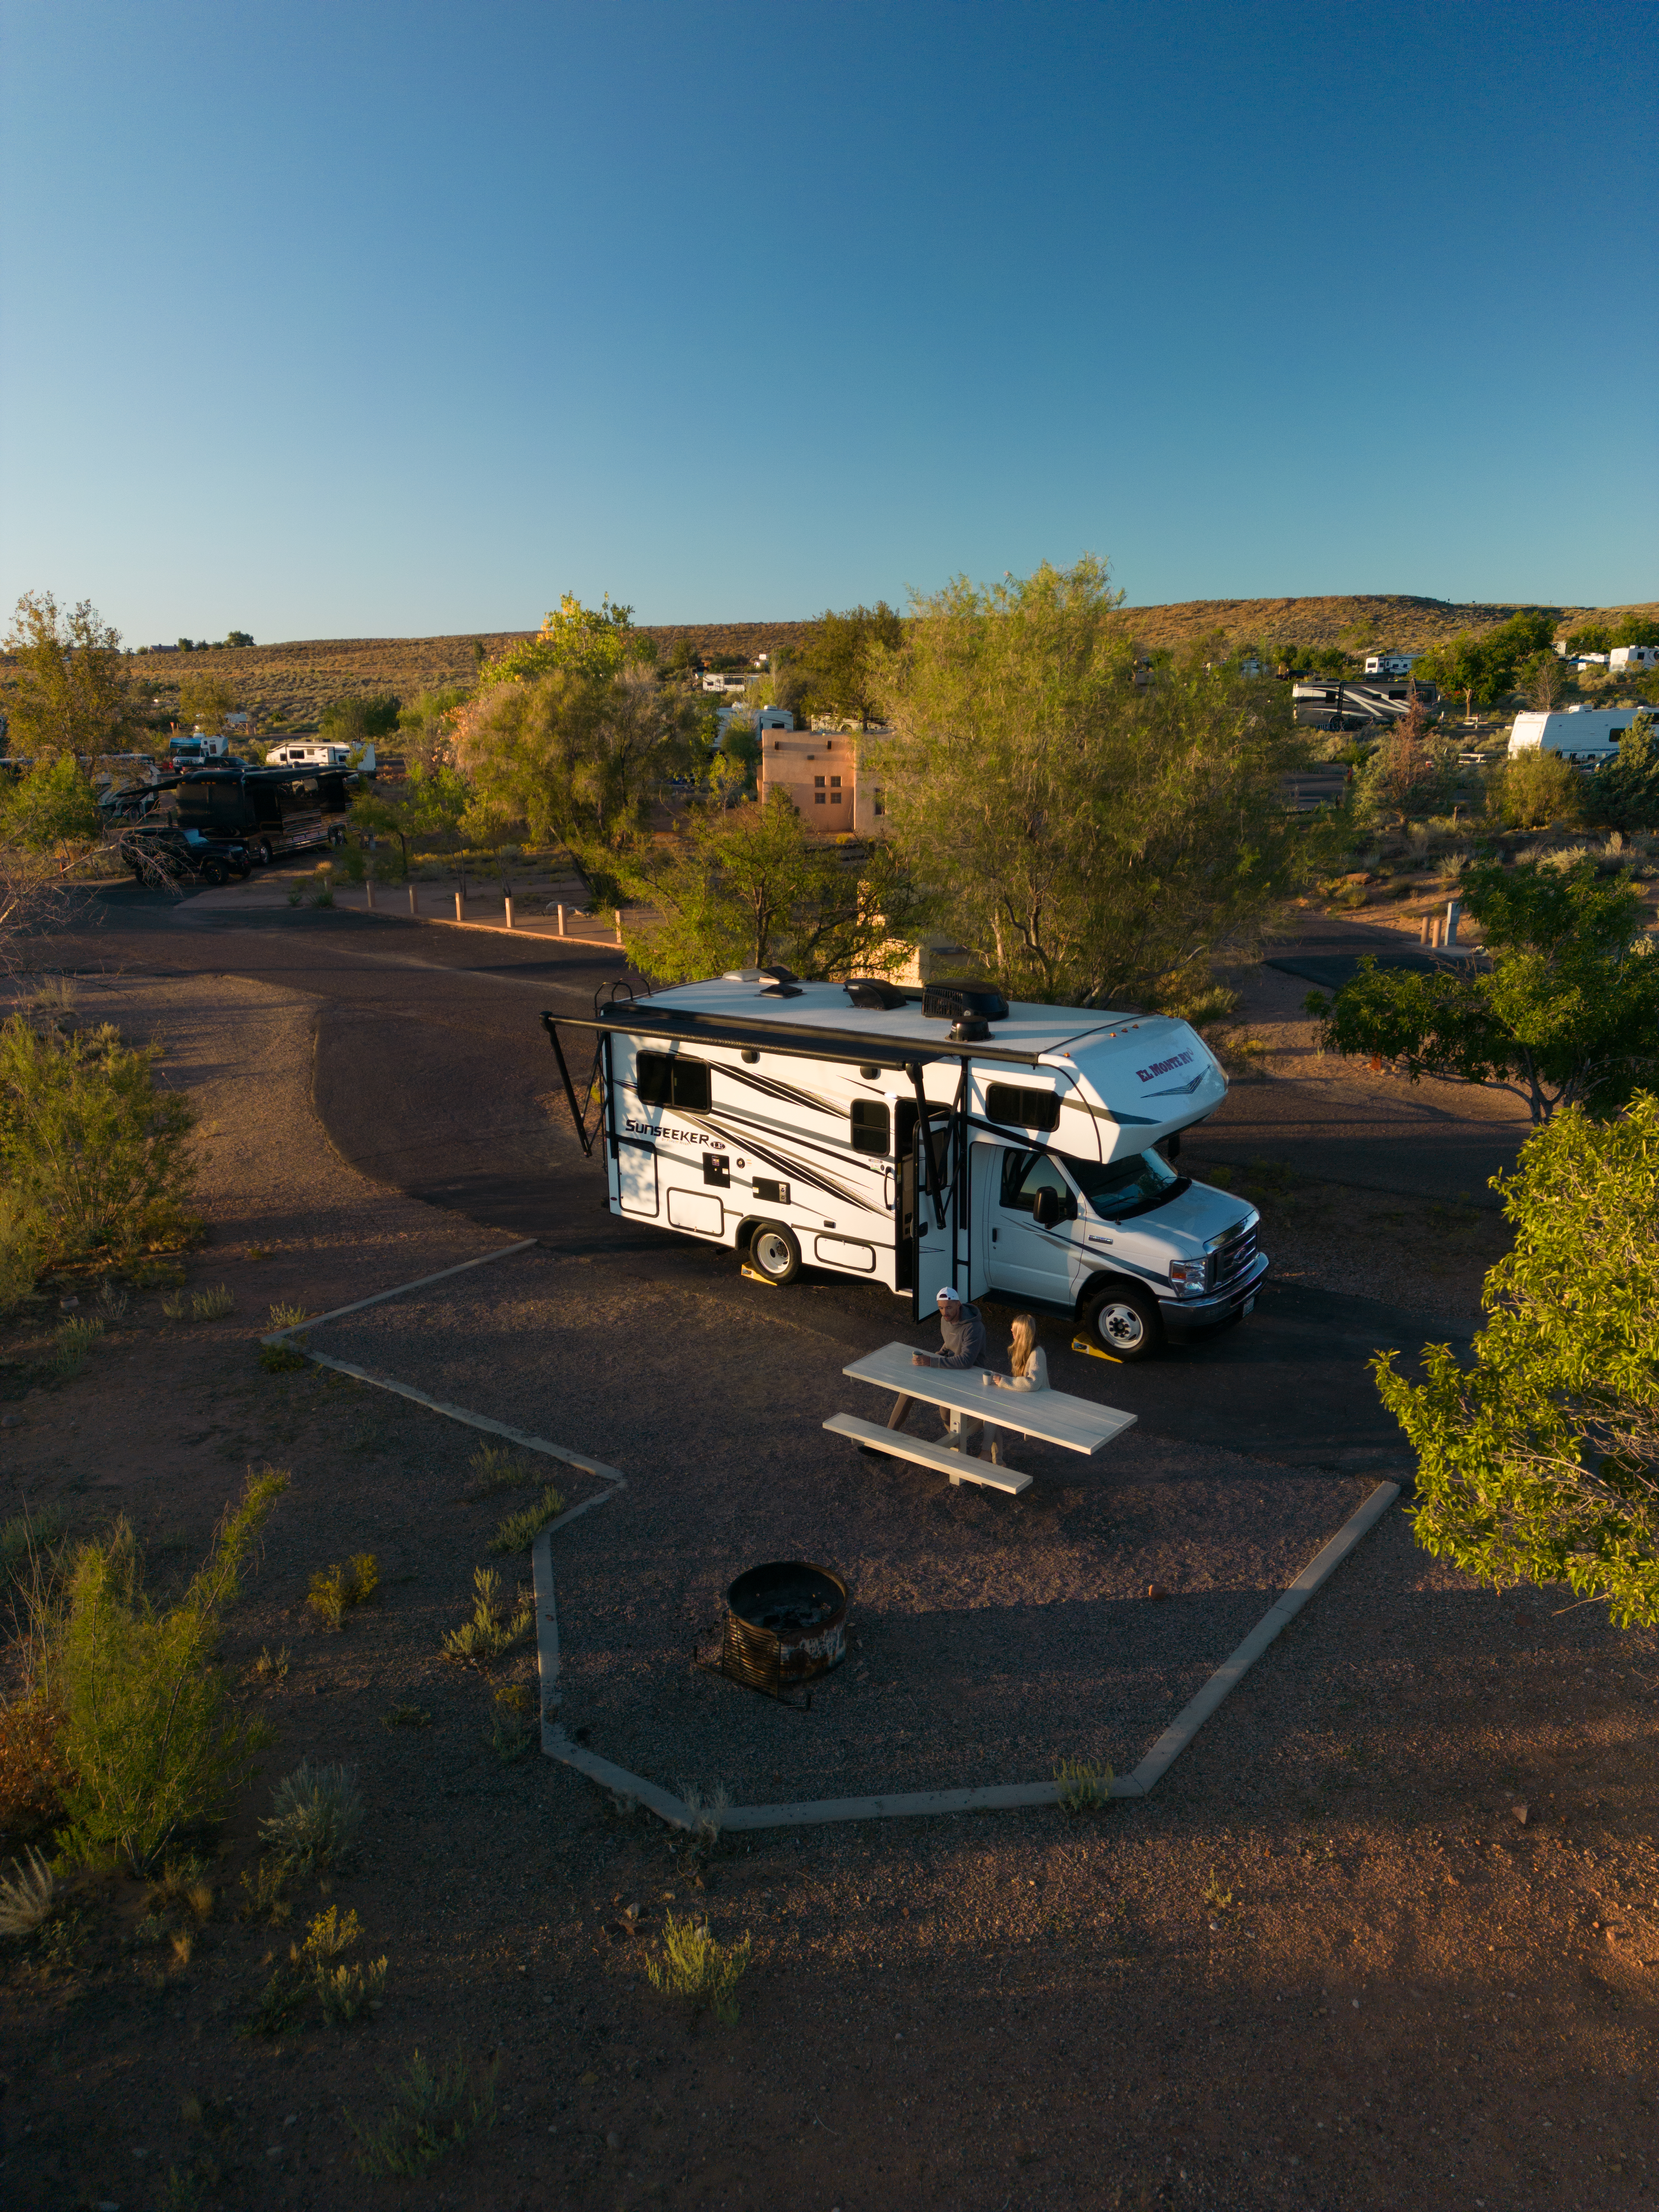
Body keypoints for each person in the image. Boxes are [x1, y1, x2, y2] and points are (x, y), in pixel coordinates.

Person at [912, 1286, 988, 1455]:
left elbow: (966, 1361)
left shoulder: (974, 1328)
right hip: (951, 1370)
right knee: (909, 1390)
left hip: (971, 1375)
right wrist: (939, 1355)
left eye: (949, 1308)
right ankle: (885, 1440)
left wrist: (932, 1361)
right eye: (941, 1308)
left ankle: (963, 1447)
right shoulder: (945, 1321)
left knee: (947, 1411)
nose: (945, 1313)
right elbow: (949, 1344)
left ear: (959, 1305)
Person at [981, 1312, 1049, 1469]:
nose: (1011, 1331)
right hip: (1027, 1399)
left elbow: (1033, 1383)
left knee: (992, 1411)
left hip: (1037, 1405)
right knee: (991, 1409)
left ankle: (988, 1455)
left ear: (1022, 1333)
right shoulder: (1023, 1350)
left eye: (1015, 1329)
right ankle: (996, 1459)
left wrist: (1005, 1382)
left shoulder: (1037, 1354)